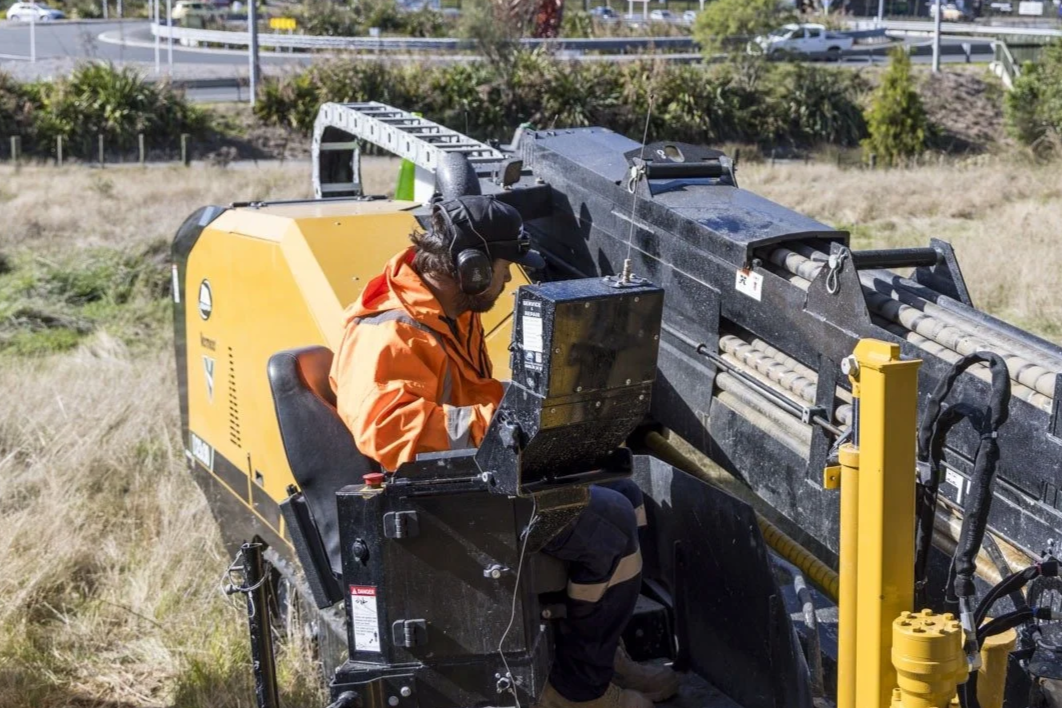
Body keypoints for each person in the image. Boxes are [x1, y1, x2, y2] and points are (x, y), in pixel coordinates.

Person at [329, 195, 679, 708]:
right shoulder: (392, 333)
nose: (507, 281)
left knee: (627, 494)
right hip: (440, 508)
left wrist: (539, 416)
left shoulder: (446, 310)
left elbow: (473, 398)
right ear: (470, 270)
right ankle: (578, 691)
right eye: (502, 267)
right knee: (609, 523)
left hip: (474, 481)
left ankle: (603, 654)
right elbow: (386, 431)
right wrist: (502, 424)